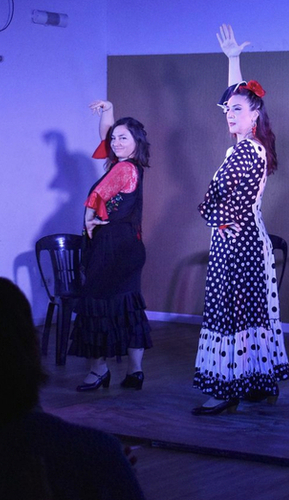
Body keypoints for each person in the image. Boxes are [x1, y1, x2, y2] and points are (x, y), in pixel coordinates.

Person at [191, 25, 289, 415]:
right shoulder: (249, 145)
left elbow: (229, 205)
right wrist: (233, 61)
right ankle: (254, 383)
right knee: (247, 312)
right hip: (242, 237)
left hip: (237, 238)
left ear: (255, 116)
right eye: (227, 110)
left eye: (238, 110)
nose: (229, 115)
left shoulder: (248, 152)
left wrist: (212, 215)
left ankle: (228, 388)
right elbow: (238, 98)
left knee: (230, 312)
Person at [0, 277, 146, 499]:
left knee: (97, 300)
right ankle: (128, 370)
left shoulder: (92, 451)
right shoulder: (90, 450)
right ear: (32, 347)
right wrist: (108, 466)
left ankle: (102, 369)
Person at [68, 101, 152, 392]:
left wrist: (89, 219)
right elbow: (108, 134)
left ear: (136, 142)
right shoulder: (131, 166)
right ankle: (135, 372)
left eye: (123, 138)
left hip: (111, 248)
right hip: (129, 246)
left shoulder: (122, 169)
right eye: (114, 138)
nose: (115, 142)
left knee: (97, 306)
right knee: (127, 306)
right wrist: (109, 111)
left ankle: (98, 370)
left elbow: (97, 195)